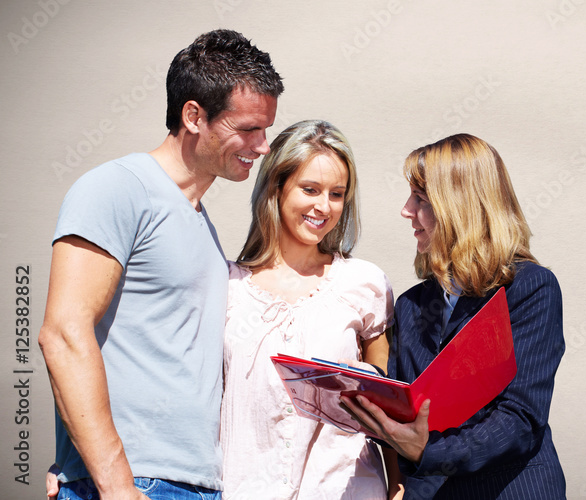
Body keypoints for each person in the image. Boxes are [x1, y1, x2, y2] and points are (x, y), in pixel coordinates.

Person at [39, 29, 282, 500]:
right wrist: (112, 483)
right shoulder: (118, 187)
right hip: (138, 482)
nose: (263, 145)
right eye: (248, 128)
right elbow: (63, 334)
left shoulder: (200, 224)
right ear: (194, 115)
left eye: (266, 129)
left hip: (194, 483)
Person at [341, 134, 567, 499]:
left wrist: (427, 452)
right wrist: (353, 390)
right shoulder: (413, 304)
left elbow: (520, 421)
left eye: (421, 200)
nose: (405, 210)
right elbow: (405, 410)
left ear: (459, 207)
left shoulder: (529, 288)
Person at [220, 119, 402, 499]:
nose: (324, 206)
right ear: (277, 186)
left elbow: (388, 408)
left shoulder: (363, 284)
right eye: (310, 189)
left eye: (337, 194)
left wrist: (398, 487)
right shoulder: (226, 287)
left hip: (345, 489)